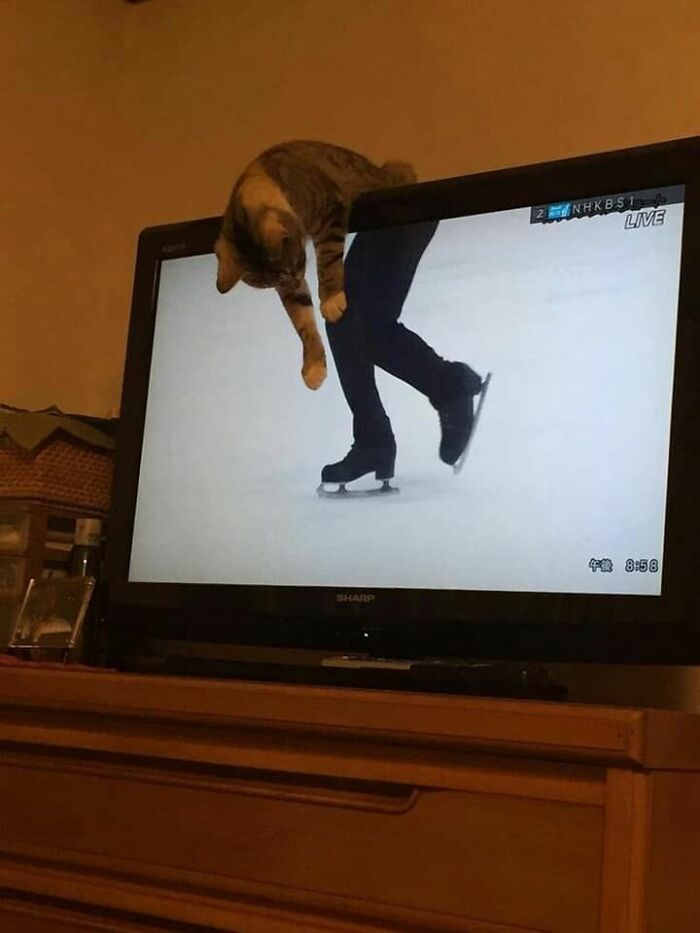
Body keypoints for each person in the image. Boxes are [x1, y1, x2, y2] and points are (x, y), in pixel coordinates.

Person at [321, 219, 484, 486]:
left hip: (410, 201)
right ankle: (373, 440)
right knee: (342, 316)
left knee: (369, 323)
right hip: (382, 203)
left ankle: (451, 385)